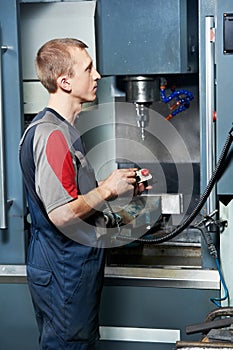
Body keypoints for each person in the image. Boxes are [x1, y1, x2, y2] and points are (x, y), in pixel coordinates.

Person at [19, 38, 146, 350]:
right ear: (65, 82)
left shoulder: (64, 130)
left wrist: (119, 191)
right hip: (65, 275)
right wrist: (105, 189)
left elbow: (70, 196)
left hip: (72, 273)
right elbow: (61, 213)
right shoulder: (52, 135)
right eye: (89, 69)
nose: (98, 75)